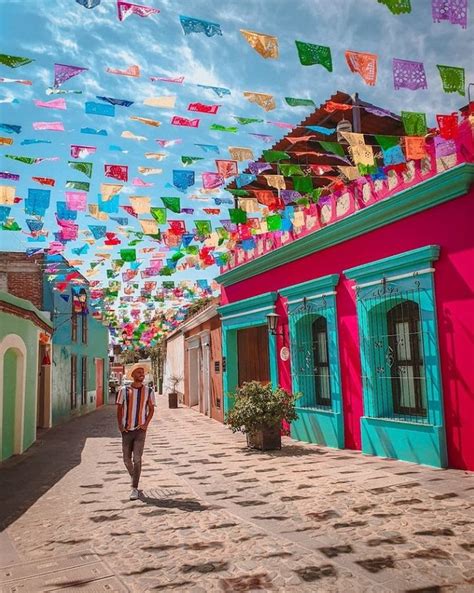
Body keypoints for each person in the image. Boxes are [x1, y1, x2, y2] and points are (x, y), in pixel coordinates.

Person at [116, 363, 155, 500]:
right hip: (127, 430)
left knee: (137, 459)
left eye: (142, 372)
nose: (141, 375)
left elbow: (151, 409)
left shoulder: (149, 391)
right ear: (132, 375)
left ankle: (134, 487)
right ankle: (134, 476)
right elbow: (119, 409)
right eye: (138, 372)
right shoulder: (123, 391)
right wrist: (120, 426)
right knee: (126, 459)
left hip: (140, 430)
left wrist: (145, 424)